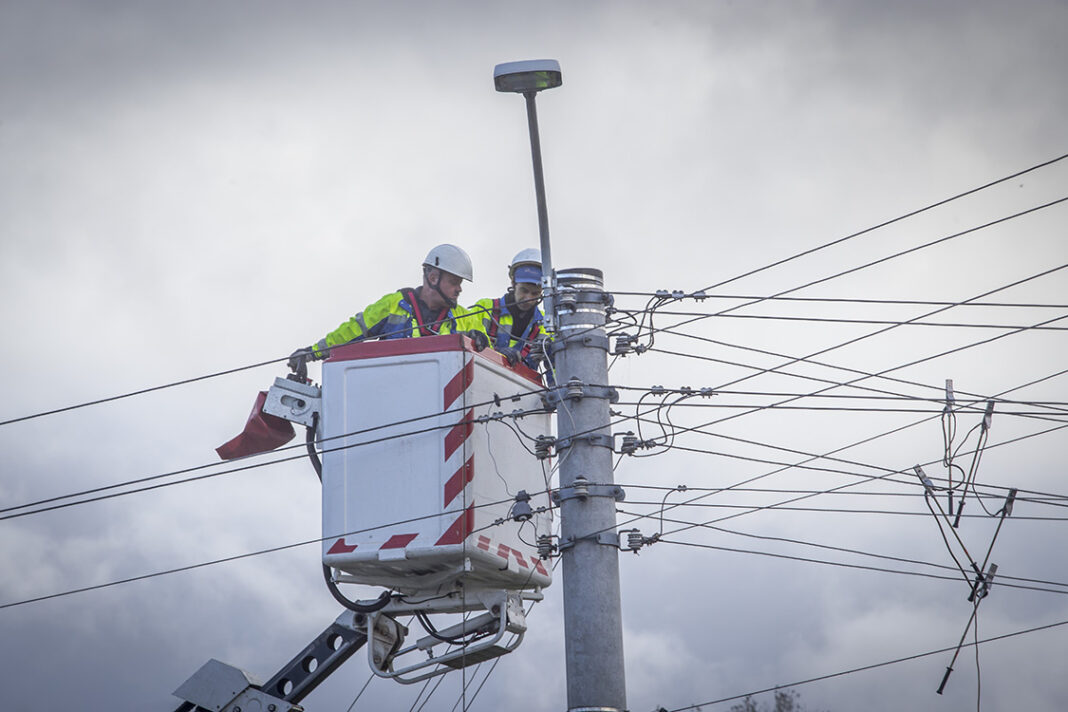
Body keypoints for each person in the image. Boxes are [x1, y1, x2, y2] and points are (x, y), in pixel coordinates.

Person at [288, 244, 488, 373]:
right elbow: (352, 332)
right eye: (454, 282)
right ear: (433, 277)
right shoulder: (394, 304)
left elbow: (490, 354)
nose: (459, 289)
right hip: (392, 396)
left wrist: (482, 343)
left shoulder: (465, 317)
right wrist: (312, 353)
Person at [469, 248, 549, 374]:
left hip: (526, 390)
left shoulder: (545, 324)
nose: (528, 299)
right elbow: (466, 346)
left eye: (535, 293)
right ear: (513, 283)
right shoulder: (484, 309)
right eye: (524, 290)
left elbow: (555, 368)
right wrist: (496, 354)